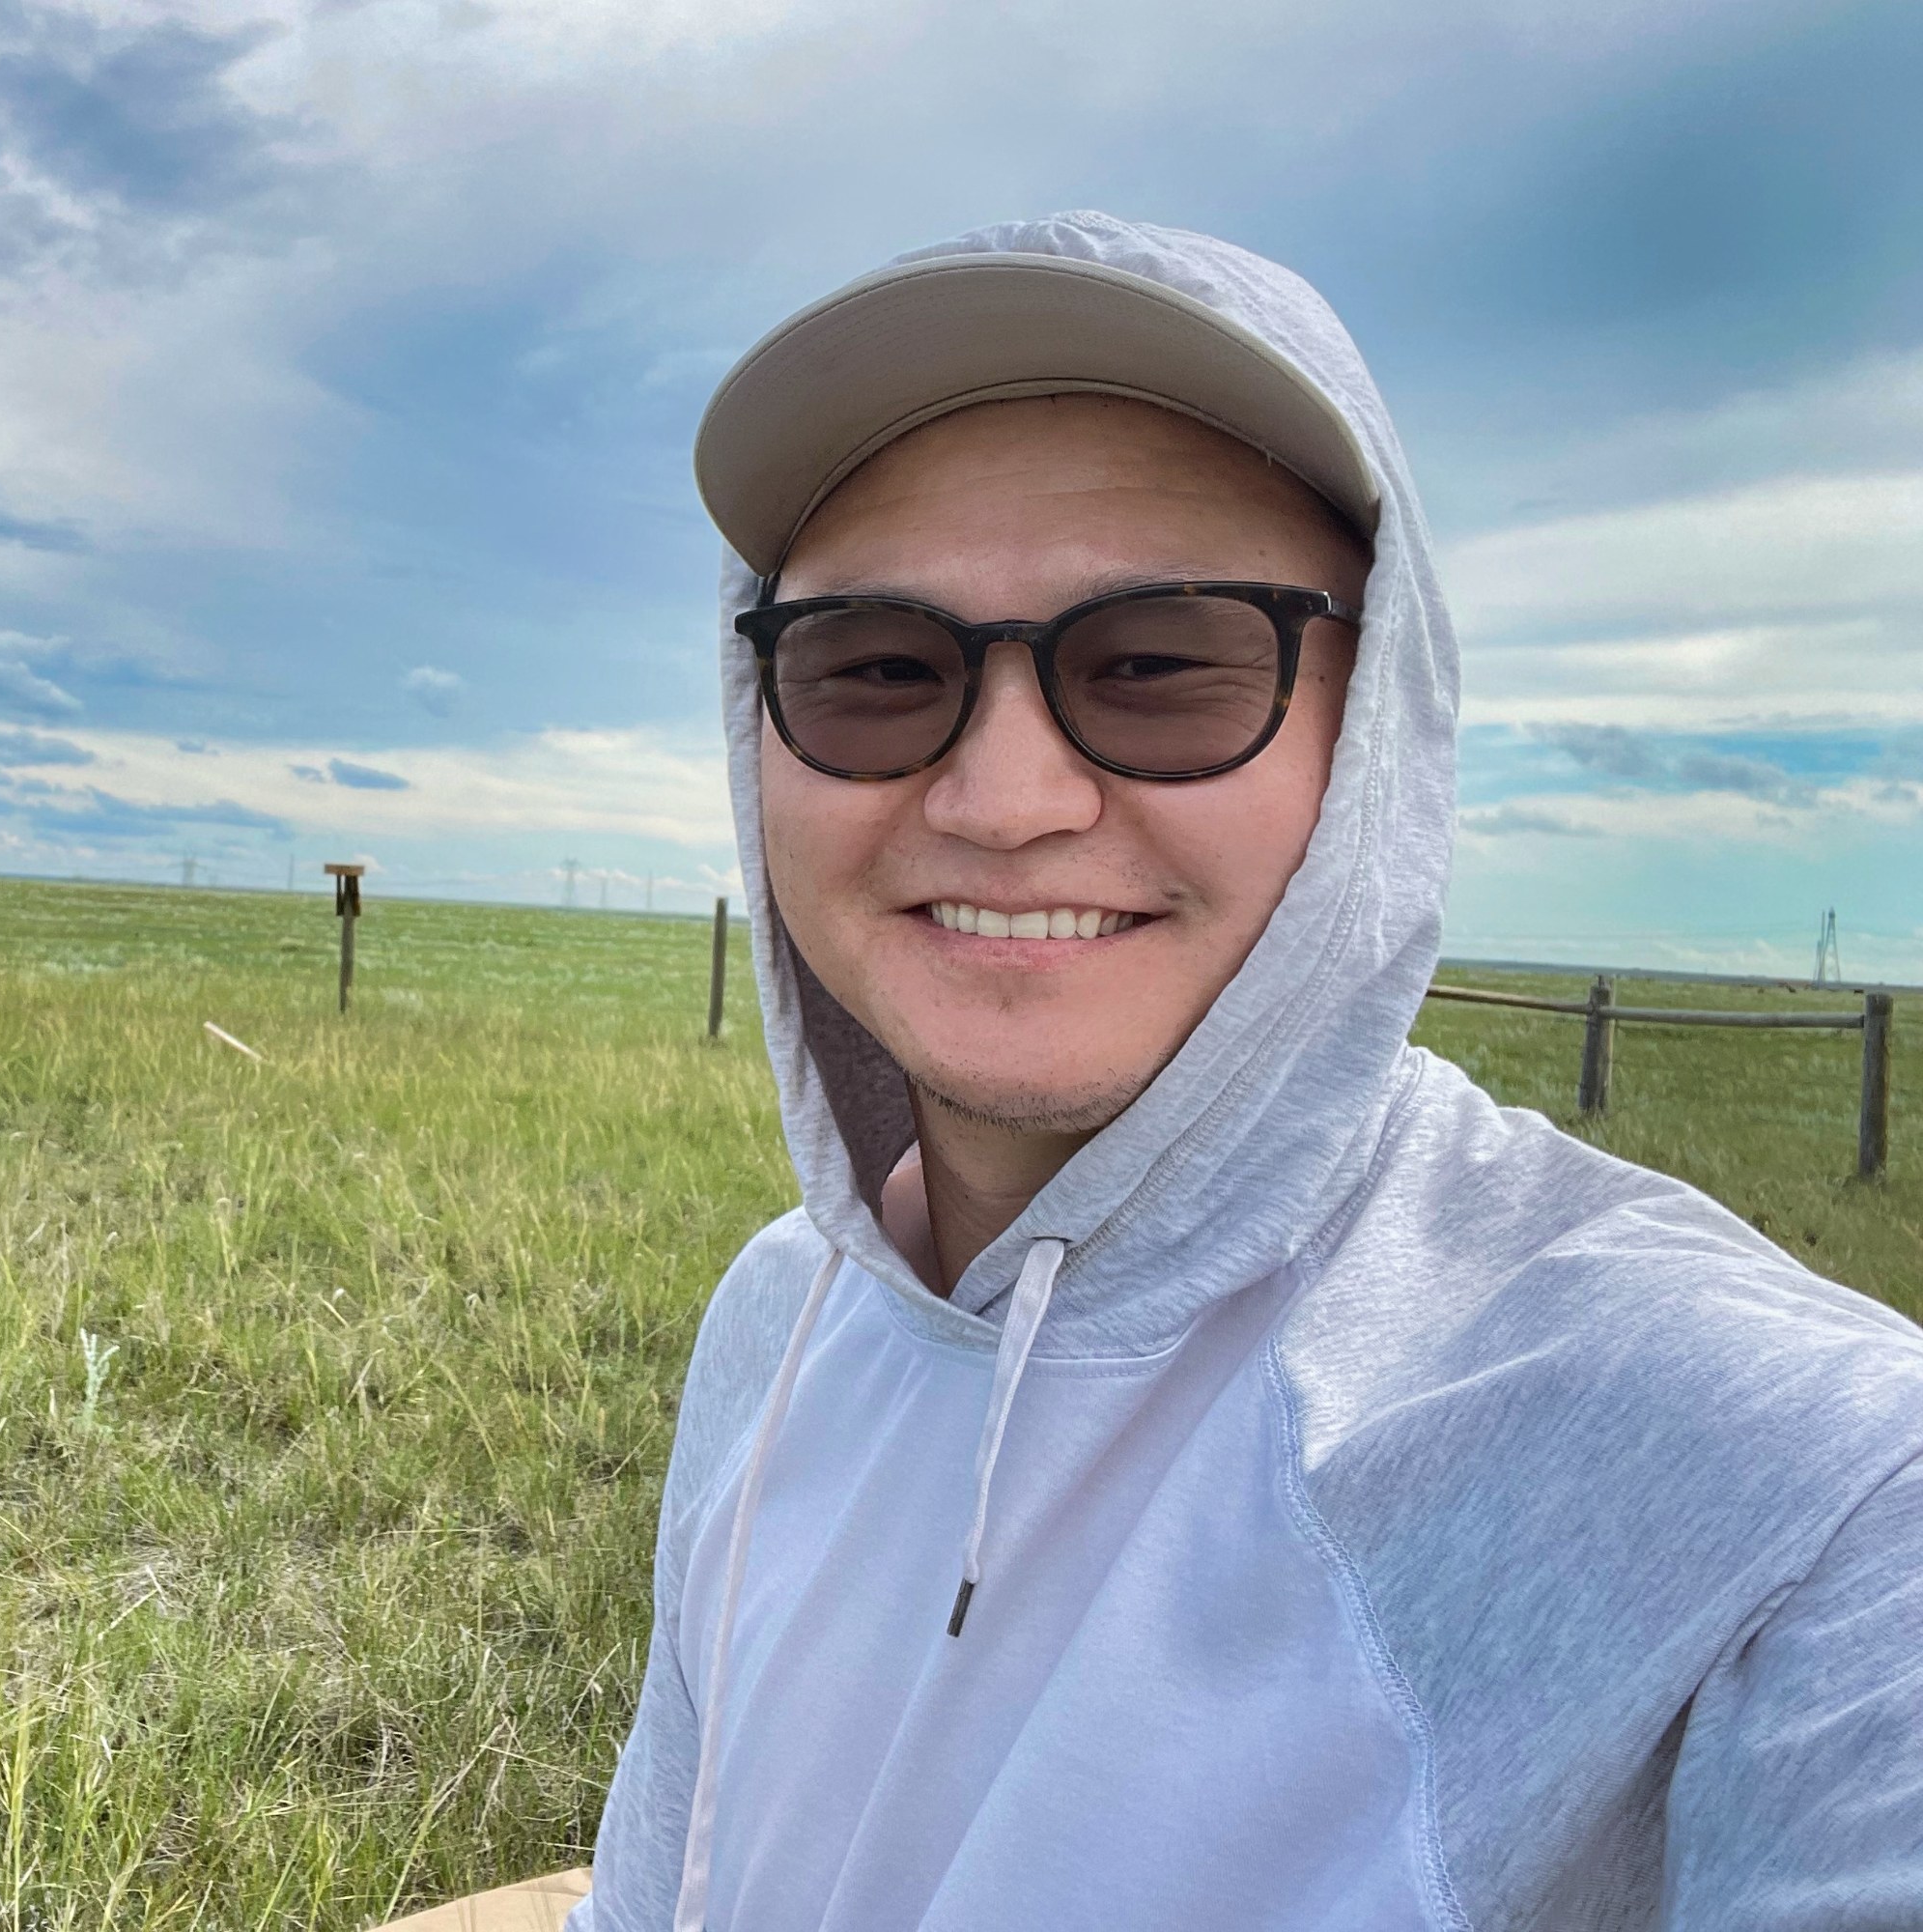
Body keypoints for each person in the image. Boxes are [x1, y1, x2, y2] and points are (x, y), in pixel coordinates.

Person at [568, 212, 1923, 1931]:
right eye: (877, 669)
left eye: (1159, 665)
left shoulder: (1786, 1483)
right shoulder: (779, 1322)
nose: (1003, 798)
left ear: (1382, 732)